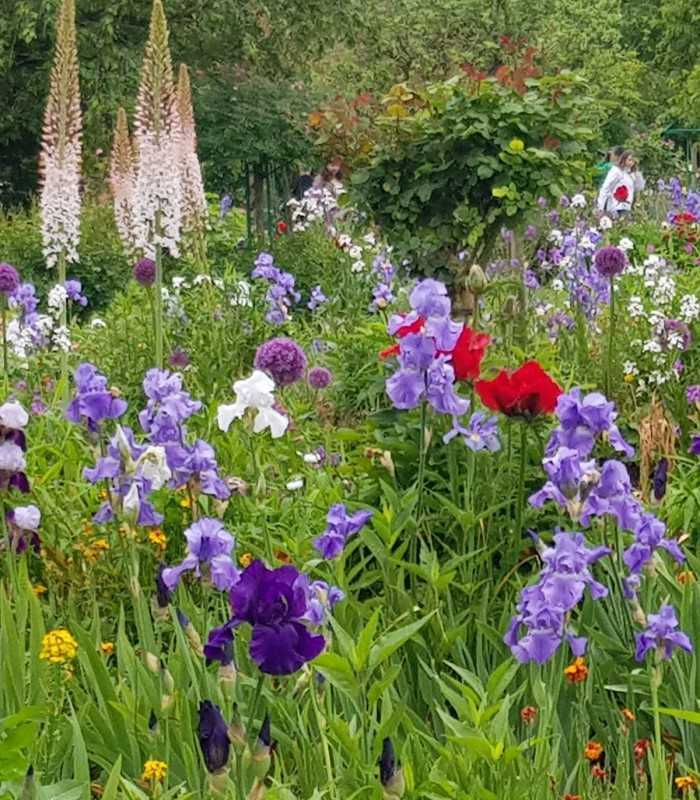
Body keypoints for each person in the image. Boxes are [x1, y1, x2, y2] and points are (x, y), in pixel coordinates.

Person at [597, 150, 643, 217]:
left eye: (633, 161)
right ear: (624, 159)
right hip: (615, 205)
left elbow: (638, 188)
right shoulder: (616, 171)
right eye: (629, 160)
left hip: (627, 205)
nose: (631, 163)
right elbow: (606, 187)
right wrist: (600, 206)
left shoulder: (631, 174)